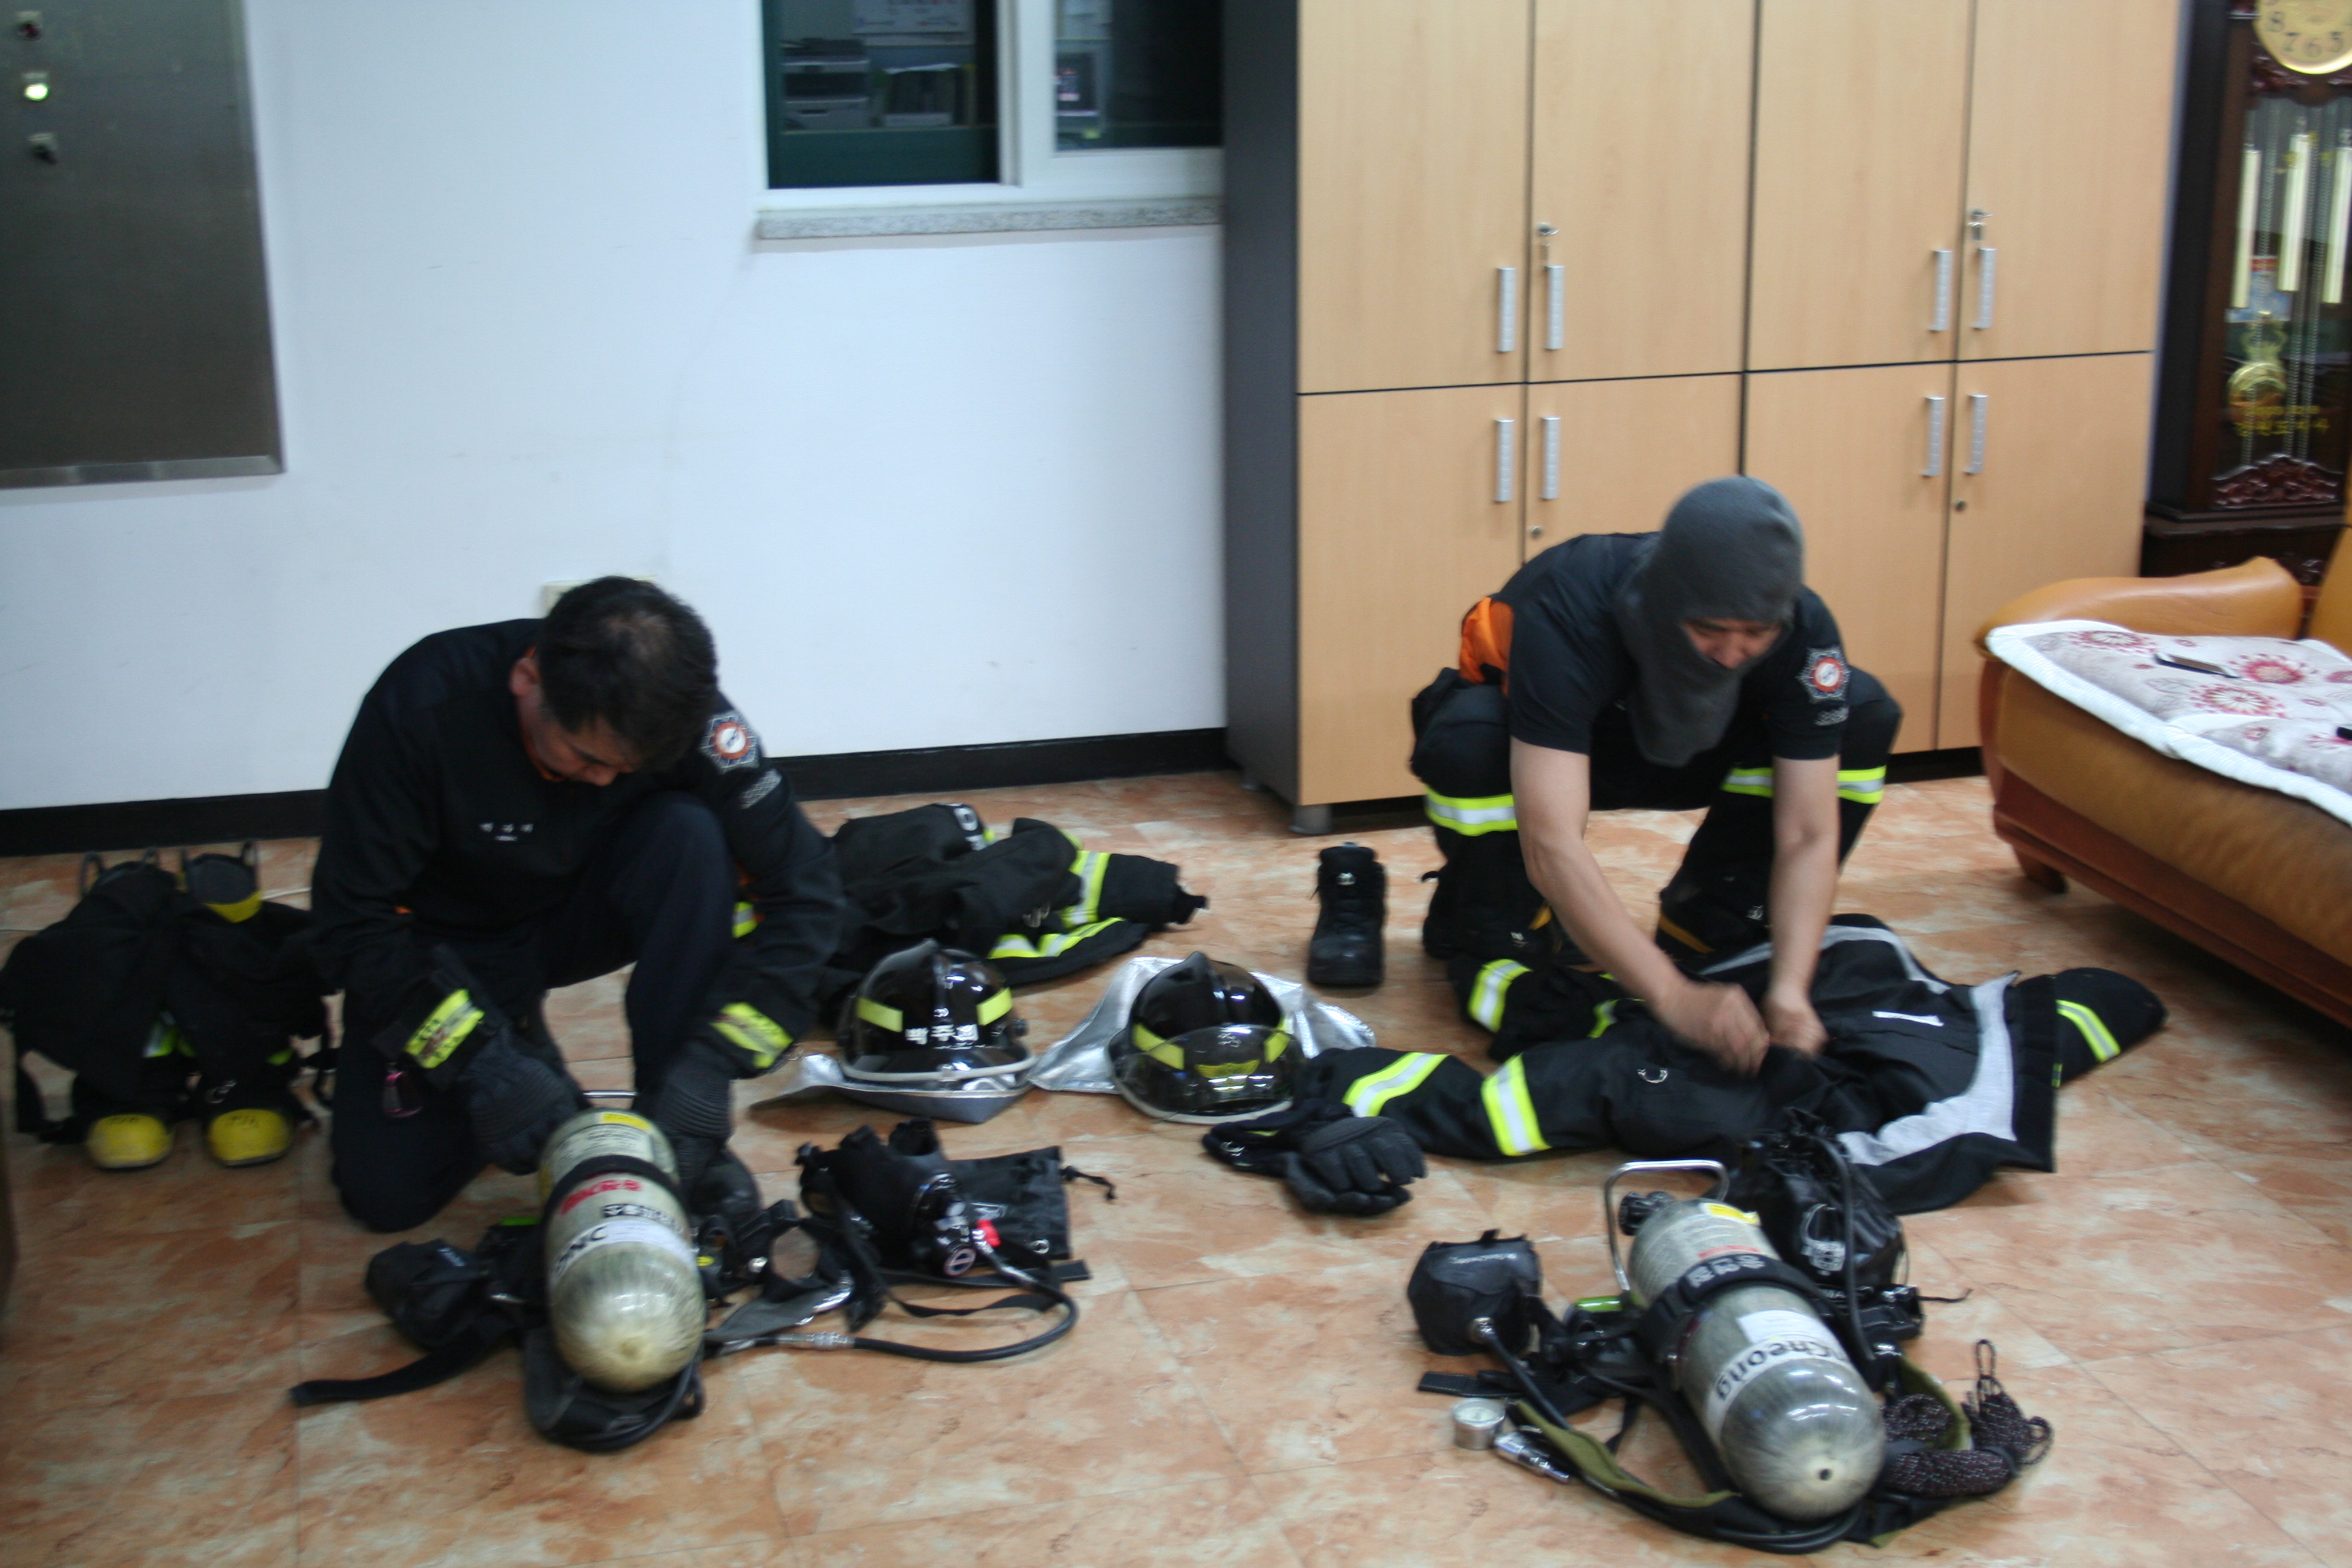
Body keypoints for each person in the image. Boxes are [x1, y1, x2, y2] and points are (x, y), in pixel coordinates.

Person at [310, 577, 842, 1230]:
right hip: (446, 944)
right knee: (387, 1196)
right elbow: (351, 923)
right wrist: (483, 1067)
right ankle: (509, 1034)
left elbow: (808, 892)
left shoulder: (690, 720)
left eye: (628, 768)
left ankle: (677, 1125)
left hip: (576, 915)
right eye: (587, 758)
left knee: (688, 836)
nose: (605, 779)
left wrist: (713, 1063)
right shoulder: (422, 707)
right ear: (527, 678)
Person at [1410, 477, 1899, 1074]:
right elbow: (1552, 842)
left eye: (1756, 634)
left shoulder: (1802, 629)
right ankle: (1497, 918)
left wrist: (1791, 992)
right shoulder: (1568, 604)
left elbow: (1808, 833)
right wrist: (1670, 996)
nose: (1732, 653)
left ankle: (1713, 920)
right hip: (1563, 752)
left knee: (1863, 711)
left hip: (1699, 752)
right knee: (1468, 740)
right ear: (1668, 604)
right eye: (1710, 630)